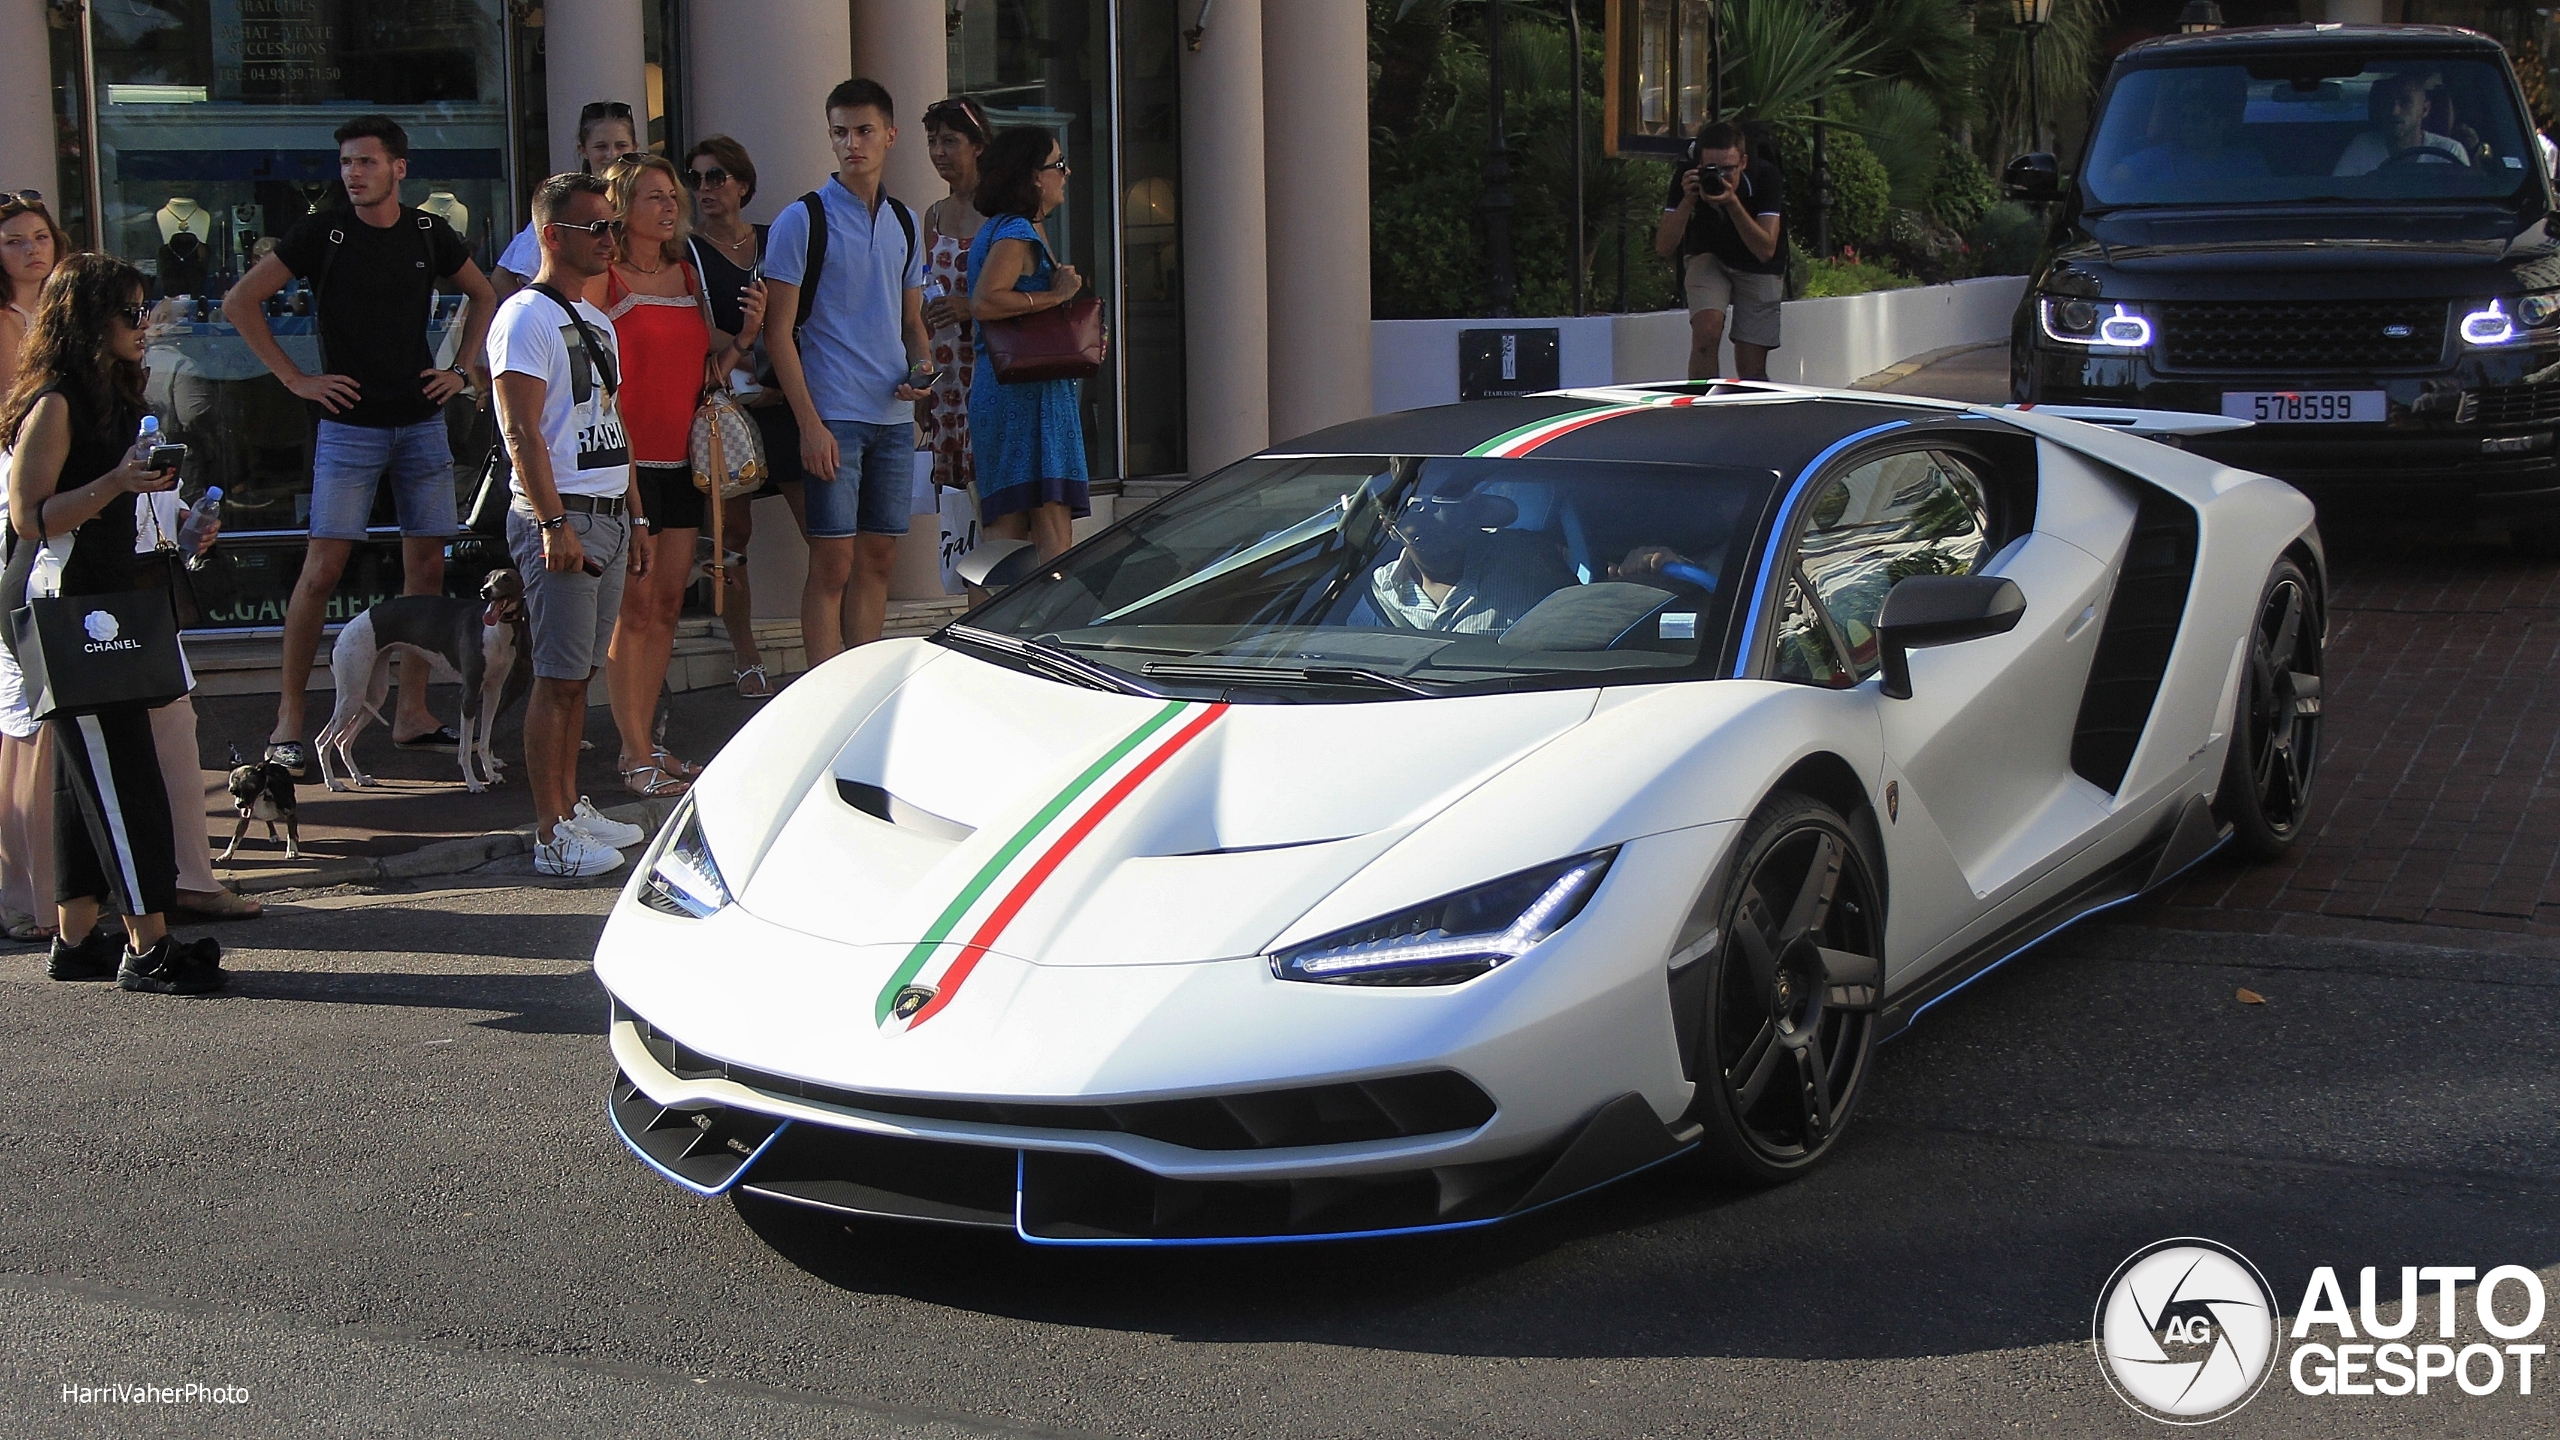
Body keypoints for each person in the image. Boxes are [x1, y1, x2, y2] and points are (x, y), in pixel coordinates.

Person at [225, 115, 496, 777]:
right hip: (347, 425)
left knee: (426, 574)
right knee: (322, 569)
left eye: (367, 162)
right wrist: (295, 379)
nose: (353, 173)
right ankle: (289, 721)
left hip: (420, 421)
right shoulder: (323, 232)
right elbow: (240, 301)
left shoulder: (429, 232)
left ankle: (412, 714)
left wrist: (462, 371)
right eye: (347, 162)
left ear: (399, 168)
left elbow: (486, 295)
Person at [1, 253, 223, 991]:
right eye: (130, 313)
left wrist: (184, 519)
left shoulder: (116, 396)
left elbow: (130, 506)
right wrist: (116, 481)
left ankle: (75, 938)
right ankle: (149, 946)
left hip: (115, 596)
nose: (144, 324)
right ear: (89, 321)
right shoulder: (57, 401)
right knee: (123, 774)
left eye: (145, 309)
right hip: (69, 605)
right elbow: (28, 516)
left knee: (83, 776)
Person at [487, 172, 647, 878]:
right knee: (556, 676)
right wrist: (554, 523)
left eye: (613, 226)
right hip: (565, 517)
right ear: (553, 235)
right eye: (597, 228)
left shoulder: (599, 319)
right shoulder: (523, 317)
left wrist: (638, 514)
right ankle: (549, 829)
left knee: (579, 675)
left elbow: (612, 422)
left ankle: (571, 805)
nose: (612, 239)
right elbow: (520, 430)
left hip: (607, 512)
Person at [591, 152, 761, 797]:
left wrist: (746, 335)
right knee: (631, 613)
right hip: (628, 466)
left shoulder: (688, 273)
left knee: (665, 608)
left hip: (683, 463)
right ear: (622, 207)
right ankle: (632, 750)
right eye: (654, 197)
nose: (669, 207)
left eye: (671, 197)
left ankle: (649, 747)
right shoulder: (602, 278)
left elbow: (706, 365)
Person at [763, 77, 933, 666]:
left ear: (890, 135)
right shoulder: (801, 219)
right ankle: (822, 692)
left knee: (879, 557)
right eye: (840, 132)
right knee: (831, 561)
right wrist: (809, 424)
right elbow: (776, 331)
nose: (852, 144)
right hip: (832, 410)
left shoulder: (907, 222)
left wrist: (924, 370)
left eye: (864, 131)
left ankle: (860, 685)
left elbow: (913, 323)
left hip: (891, 412)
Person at [682, 135, 804, 698]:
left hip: (784, 398)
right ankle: (746, 653)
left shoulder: (775, 239)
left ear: (743, 184)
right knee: (731, 535)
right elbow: (693, 324)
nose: (705, 189)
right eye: (697, 179)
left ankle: (831, 650)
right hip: (727, 399)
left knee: (822, 525)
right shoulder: (687, 251)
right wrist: (747, 346)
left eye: (717, 177)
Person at [967, 128, 1091, 564]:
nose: (1066, 172)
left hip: (1005, 391)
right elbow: (985, 300)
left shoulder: (1005, 226)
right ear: (1034, 177)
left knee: (1004, 535)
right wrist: (1057, 297)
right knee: (1051, 531)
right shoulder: (1017, 231)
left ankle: (983, 630)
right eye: (1057, 165)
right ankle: (1048, 629)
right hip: (1029, 397)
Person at [1653, 121, 1785, 382]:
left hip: (1757, 264)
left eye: (1729, 169)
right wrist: (1688, 200)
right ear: (1699, 164)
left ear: (1744, 162)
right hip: (1708, 254)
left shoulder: (1766, 177)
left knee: (1751, 366)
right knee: (1706, 333)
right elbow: (1663, 247)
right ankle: (1702, 411)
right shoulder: (1687, 178)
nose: (1721, 177)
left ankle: (1753, 417)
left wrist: (1732, 203)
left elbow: (1766, 249)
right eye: (1712, 169)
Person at [1361, 487, 1567, 634]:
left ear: (1472, 516)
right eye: (1423, 538)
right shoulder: (1378, 591)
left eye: (1454, 528)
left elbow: (1581, 625)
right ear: (1390, 527)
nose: (1443, 544)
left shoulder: (1528, 561)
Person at [494, 102, 640, 300]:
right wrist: (544, 317)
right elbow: (502, 277)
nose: (612, 155)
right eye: (601, 146)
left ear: (635, 148)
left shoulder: (649, 202)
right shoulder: (570, 204)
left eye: (621, 146)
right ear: (583, 149)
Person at [920, 98, 991, 502]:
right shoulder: (933, 215)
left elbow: (1033, 284)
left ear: (977, 145)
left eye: (949, 141)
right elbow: (919, 302)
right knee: (952, 504)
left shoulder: (1002, 212)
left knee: (990, 492)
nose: (939, 153)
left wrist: (971, 306)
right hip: (944, 373)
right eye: (932, 142)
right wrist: (921, 376)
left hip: (987, 366)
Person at [2104, 69, 2271, 195]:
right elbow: (2116, 178)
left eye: (2199, 119)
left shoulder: (2248, 163)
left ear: (2221, 123)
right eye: (2184, 118)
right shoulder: (2160, 157)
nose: (2189, 125)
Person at [1, 191, 70, 401]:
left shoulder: (64, 307)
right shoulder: (4, 320)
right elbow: (11, 402)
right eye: (14, 242)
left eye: (41, 237)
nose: (32, 249)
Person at [2335, 72, 2471, 175]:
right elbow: (2339, 197)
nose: (2394, 111)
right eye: (2388, 102)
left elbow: (2465, 204)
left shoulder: (2450, 152)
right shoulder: (2362, 147)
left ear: (2425, 109)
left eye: (2405, 102)